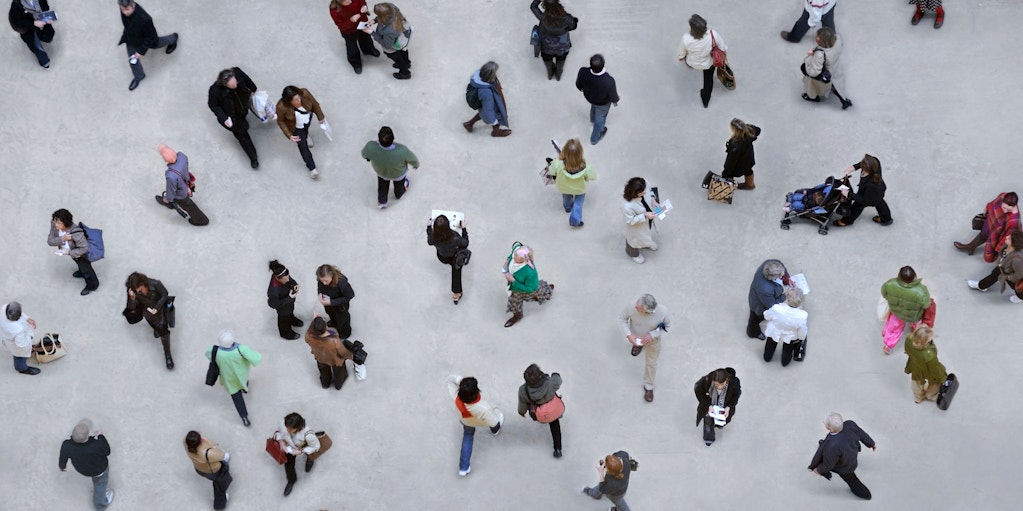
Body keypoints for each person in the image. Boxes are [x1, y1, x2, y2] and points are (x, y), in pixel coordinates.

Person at [808, 412, 876, 500]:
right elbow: (862, 434)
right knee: (827, 444)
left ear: (830, 429)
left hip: (845, 466)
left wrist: (818, 470)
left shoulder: (833, 447)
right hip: (850, 454)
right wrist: (871, 443)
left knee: (852, 480)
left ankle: (865, 494)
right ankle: (824, 445)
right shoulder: (850, 425)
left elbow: (829, 464)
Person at [447, 374, 503, 476]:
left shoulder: (456, 396)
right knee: (495, 420)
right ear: (477, 391)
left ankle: (464, 468)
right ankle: (495, 431)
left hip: (464, 420)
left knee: (467, 436)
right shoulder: (483, 407)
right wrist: (497, 416)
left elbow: (450, 380)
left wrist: (459, 380)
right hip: (479, 421)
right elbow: (493, 422)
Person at [619, 294, 670, 403]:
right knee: (637, 343)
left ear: (648, 311)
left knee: (651, 363)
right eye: (637, 303)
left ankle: (648, 386)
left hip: (652, 340)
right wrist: (629, 335)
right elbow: (622, 319)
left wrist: (652, 334)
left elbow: (667, 326)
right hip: (636, 336)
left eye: (639, 308)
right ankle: (638, 345)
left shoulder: (663, 312)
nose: (635, 307)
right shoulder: (632, 305)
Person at [116, 0, 177, 91]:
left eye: (127, 9)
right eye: (122, 9)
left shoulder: (145, 19)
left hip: (147, 38)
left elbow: (151, 37)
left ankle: (173, 38)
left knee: (157, 43)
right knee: (132, 60)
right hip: (132, 38)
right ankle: (139, 76)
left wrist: (140, 51)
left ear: (133, 5)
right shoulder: (123, 8)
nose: (125, 12)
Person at [207, 67, 260, 169]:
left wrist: (254, 89)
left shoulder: (237, 72)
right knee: (242, 135)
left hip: (243, 106)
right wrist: (224, 118)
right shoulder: (214, 91)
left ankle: (244, 121)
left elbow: (247, 79)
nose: (235, 85)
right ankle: (253, 157)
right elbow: (213, 106)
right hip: (232, 116)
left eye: (235, 82)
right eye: (232, 85)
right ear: (225, 85)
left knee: (244, 118)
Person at [206, 330, 261, 427]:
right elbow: (256, 359)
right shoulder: (242, 349)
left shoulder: (215, 351)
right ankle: (245, 388)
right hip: (242, 375)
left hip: (228, 379)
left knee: (237, 398)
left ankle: (244, 418)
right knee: (243, 382)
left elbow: (208, 355)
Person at [59, 419, 114, 510]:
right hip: (99, 470)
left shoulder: (67, 445)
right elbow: (107, 451)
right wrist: (100, 436)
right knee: (100, 484)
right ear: (87, 437)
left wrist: (62, 466)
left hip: (82, 469)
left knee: (96, 480)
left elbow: (62, 457)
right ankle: (100, 504)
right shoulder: (96, 445)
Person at [124, 271, 175, 369]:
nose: (138, 292)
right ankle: (156, 329)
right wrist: (132, 298)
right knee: (153, 324)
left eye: (139, 290)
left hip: (160, 314)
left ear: (142, 284)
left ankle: (167, 354)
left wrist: (157, 307)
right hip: (147, 314)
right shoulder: (133, 292)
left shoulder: (155, 284)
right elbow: (131, 308)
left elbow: (165, 293)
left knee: (164, 333)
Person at [361, 126, 420, 209]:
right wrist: (415, 165)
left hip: (381, 172)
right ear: (393, 138)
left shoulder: (371, 146)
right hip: (398, 174)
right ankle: (399, 195)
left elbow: (364, 154)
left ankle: (382, 202)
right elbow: (412, 159)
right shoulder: (402, 150)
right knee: (399, 186)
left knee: (382, 187)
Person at [275, 85, 326, 179]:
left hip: (306, 118)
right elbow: (280, 121)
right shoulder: (281, 106)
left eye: (298, 97)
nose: (299, 101)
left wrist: (320, 116)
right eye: (295, 100)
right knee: (302, 146)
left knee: (305, 130)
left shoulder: (305, 93)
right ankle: (312, 167)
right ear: (289, 101)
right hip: (295, 126)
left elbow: (315, 104)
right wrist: (289, 135)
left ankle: (306, 136)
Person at [953, 192, 1020, 262]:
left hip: (998, 233)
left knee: (990, 253)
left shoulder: (1014, 221)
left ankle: (997, 259)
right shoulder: (1002, 196)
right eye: (1004, 208)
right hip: (990, 223)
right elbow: (993, 203)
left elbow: (1007, 237)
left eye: (1009, 210)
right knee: (983, 234)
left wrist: (998, 249)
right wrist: (987, 210)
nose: (1005, 211)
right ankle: (970, 247)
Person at [47, 208, 100, 295]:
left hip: (80, 255)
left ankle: (92, 285)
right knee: (79, 264)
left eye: (58, 223)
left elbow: (84, 248)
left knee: (86, 269)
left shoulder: (77, 234)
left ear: (66, 222)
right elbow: (50, 241)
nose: (55, 224)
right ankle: (82, 272)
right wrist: (62, 238)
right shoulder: (54, 223)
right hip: (71, 252)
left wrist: (69, 253)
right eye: (54, 221)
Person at [880, 265, 931, 355]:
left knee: (893, 329)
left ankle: (888, 346)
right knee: (918, 328)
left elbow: (884, 294)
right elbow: (926, 305)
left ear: (899, 276)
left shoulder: (889, 284)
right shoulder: (921, 291)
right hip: (914, 316)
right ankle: (918, 340)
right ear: (915, 276)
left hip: (896, 313)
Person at [154, 144, 209, 226]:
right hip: (186, 183)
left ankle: (200, 220)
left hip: (180, 193)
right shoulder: (182, 156)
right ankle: (170, 203)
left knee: (188, 205)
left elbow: (171, 190)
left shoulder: (170, 175)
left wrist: (167, 198)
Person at [678, 14, 725, 108]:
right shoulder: (713, 34)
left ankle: (691, 66)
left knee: (688, 56)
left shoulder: (686, 38)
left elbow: (681, 53)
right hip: (708, 63)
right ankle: (705, 101)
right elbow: (722, 47)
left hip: (692, 62)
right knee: (708, 79)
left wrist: (681, 57)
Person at [502, 242, 555, 327]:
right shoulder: (516, 253)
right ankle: (517, 314)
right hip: (516, 287)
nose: (514, 256)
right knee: (514, 302)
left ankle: (547, 290)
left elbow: (530, 288)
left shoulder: (530, 272)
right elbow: (512, 254)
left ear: (523, 259)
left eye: (516, 256)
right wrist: (507, 262)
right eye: (515, 253)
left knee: (537, 290)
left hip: (522, 288)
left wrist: (513, 281)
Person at [517, 364, 563, 458]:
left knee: (535, 412)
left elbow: (522, 405)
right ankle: (558, 449)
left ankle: (541, 419)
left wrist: (521, 412)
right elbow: (558, 380)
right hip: (552, 410)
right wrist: (555, 374)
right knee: (555, 426)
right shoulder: (551, 382)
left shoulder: (523, 391)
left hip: (538, 413)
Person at [800, 27, 852, 109]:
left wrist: (809, 59)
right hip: (835, 68)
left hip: (825, 72)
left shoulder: (820, 54)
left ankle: (812, 97)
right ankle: (844, 100)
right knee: (837, 84)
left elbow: (813, 72)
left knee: (811, 85)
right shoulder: (838, 40)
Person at [549, 138, 596, 227]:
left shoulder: (558, 163)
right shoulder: (586, 166)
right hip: (579, 188)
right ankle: (575, 218)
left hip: (564, 186)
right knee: (578, 202)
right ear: (580, 153)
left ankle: (567, 207)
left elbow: (551, 171)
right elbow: (593, 176)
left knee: (566, 196)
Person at [967, 230, 1023, 303]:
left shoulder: (1017, 259)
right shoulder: (1007, 246)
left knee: (1016, 286)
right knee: (995, 274)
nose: (1007, 237)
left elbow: (1019, 274)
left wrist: (1009, 277)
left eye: (1009, 238)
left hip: (1013, 273)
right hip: (1006, 268)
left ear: (1014, 244)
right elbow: (1002, 254)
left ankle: (1021, 296)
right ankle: (982, 286)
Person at [575, 54, 619, 144]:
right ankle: (594, 139)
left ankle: (592, 119)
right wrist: (615, 101)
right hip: (602, 102)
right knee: (600, 119)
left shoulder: (583, 71)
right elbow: (613, 95)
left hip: (590, 97)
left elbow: (578, 85)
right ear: (603, 64)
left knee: (594, 106)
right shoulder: (609, 81)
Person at [183, 431, 233, 511]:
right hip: (213, 471)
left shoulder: (185, 443)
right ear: (200, 442)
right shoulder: (208, 453)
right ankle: (219, 504)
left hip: (199, 468)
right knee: (218, 486)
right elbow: (221, 455)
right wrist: (207, 441)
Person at [274, 412, 322, 496]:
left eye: (290, 429)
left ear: (297, 428)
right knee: (288, 465)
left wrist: (301, 451)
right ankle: (291, 480)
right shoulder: (284, 422)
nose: (287, 431)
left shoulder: (308, 434)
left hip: (303, 446)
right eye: (286, 428)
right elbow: (279, 431)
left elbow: (316, 447)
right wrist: (281, 441)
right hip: (290, 447)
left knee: (311, 453)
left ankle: (310, 460)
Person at [835, 154, 890, 226]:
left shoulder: (871, 185)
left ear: (867, 169)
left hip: (871, 195)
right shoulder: (875, 162)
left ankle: (847, 221)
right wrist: (854, 167)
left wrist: (848, 194)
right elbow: (863, 163)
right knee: (880, 203)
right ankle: (886, 218)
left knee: (857, 206)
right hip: (874, 192)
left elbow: (864, 200)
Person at [426, 214, 469, 304]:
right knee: (456, 271)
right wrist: (464, 229)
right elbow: (465, 243)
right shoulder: (454, 237)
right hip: (454, 256)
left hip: (442, 256)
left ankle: (456, 294)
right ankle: (456, 293)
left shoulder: (433, 237)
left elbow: (430, 242)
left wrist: (428, 227)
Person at [529, 0, 577, 80]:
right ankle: (558, 75)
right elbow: (572, 27)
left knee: (547, 60)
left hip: (546, 46)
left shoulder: (543, 17)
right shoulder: (567, 18)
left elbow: (533, 7)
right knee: (561, 61)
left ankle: (550, 74)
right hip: (562, 45)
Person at [329, 0, 380, 74]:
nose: (350, 1)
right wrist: (351, 20)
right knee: (351, 46)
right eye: (346, 1)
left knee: (366, 38)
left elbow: (362, 1)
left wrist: (364, 6)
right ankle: (355, 62)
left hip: (362, 23)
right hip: (348, 30)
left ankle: (368, 49)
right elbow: (341, 26)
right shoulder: (334, 10)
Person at [694, 368, 741, 446]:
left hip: (725, 406)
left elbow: (736, 395)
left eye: (722, 384)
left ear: (727, 379)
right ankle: (708, 438)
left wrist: (729, 407)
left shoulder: (734, 383)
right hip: (709, 405)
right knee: (708, 422)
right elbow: (698, 391)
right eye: (716, 384)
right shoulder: (707, 380)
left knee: (722, 421)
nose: (719, 387)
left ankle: (719, 424)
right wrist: (708, 405)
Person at [463, 61, 512, 137]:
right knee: (494, 115)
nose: (497, 74)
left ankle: (469, 123)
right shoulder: (486, 93)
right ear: (490, 77)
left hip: (484, 105)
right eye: (495, 73)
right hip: (489, 107)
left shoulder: (482, 76)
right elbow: (489, 110)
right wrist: (494, 122)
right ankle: (496, 132)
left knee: (482, 113)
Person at [305, 315, 354, 390]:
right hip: (334, 360)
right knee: (339, 372)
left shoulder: (308, 336)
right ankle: (338, 384)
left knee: (324, 371)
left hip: (320, 357)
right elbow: (342, 351)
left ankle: (325, 384)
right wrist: (350, 356)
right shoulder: (332, 339)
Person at [763, 287, 808, 366]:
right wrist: (801, 338)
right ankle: (785, 362)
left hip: (775, 330)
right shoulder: (802, 315)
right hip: (790, 335)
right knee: (788, 349)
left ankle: (767, 357)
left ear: (787, 298)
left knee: (770, 344)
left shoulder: (776, 308)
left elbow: (766, 316)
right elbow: (802, 332)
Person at [903, 326, 948, 403]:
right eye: (929, 339)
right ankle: (931, 395)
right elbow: (935, 368)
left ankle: (918, 397)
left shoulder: (908, 339)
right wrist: (943, 378)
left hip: (915, 366)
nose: (931, 339)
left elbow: (907, 350)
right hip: (927, 369)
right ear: (924, 342)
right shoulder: (929, 354)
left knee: (916, 381)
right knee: (934, 382)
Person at [747, 259, 789, 340]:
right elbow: (772, 304)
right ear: (771, 278)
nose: (782, 276)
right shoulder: (765, 289)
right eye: (779, 276)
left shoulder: (773, 263)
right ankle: (753, 332)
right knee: (755, 318)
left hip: (766, 295)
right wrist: (785, 295)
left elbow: (783, 270)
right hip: (759, 304)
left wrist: (788, 280)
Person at [367, 2, 410, 79]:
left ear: (382, 17)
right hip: (403, 37)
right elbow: (385, 16)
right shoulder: (391, 8)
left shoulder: (389, 31)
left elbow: (386, 45)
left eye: (378, 15)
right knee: (403, 50)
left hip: (393, 45)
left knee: (396, 58)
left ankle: (404, 73)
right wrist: (375, 20)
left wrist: (372, 33)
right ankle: (407, 62)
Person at [622, 177, 659, 264]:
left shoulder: (644, 184)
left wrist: (653, 200)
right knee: (633, 241)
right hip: (636, 226)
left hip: (647, 220)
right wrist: (644, 215)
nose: (645, 192)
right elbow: (630, 220)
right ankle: (633, 254)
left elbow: (650, 191)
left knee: (646, 232)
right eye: (642, 193)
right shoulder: (627, 206)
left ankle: (647, 243)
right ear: (634, 193)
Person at [8, 0, 55, 68]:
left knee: (49, 34)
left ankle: (44, 37)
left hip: (40, 19)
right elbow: (16, 22)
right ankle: (45, 62)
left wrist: (47, 16)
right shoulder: (16, 4)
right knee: (36, 46)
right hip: (27, 27)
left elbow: (45, 7)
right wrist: (34, 23)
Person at [315, 264, 355, 337]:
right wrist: (319, 294)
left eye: (326, 281)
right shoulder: (321, 279)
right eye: (322, 280)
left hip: (340, 305)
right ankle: (334, 322)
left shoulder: (341, 282)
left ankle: (345, 333)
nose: (324, 283)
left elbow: (350, 295)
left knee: (342, 319)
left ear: (331, 275)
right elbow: (320, 286)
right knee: (330, 313)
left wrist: (332, 302)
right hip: (328, 302)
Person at [1, 301, 41, 375]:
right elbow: (21, 345)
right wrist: (30, 336)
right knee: (20, 356)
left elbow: (18, 313)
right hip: (17, 347)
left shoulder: (4, 308)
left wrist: (27, 318)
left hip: (7, 338)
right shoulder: (17, 330)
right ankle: (22, 368)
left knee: (20, 353)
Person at [721, 118, 761, 190]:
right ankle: (750, 185)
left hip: (741, 161)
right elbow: (758, 130)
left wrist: (726, 172)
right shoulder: (749, 131)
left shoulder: (736, 144)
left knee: (729, 174)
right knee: (748, 170)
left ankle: (727, 189)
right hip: (749, 157)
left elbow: (731, 161)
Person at [268, 260, 302, 340]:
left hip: (289, 302)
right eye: (285, 279)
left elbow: (290, 279)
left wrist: (294, 284)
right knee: (284, 318)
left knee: (290, 311)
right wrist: (289, 298)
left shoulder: (283, 275)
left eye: (288, 277)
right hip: (282, 308)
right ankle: (286, 333)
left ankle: (291, 319)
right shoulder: (273, 292)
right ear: (277, 278)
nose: (288, 280)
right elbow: (273, 304)